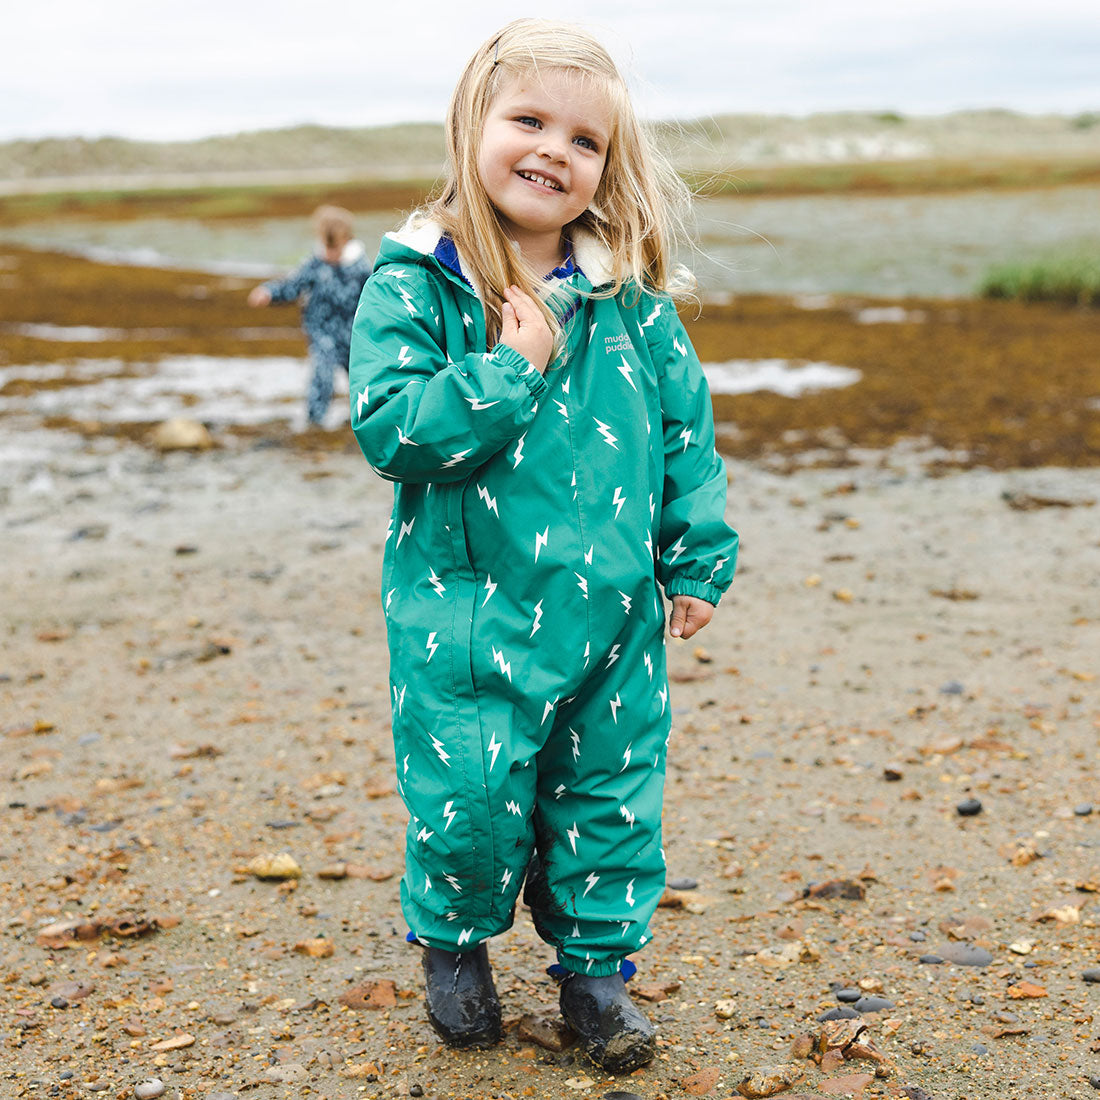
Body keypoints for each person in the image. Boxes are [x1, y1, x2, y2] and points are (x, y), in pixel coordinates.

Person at [348, 19, 738, 1075]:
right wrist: (509, 366)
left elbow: (680, 432)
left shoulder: (628, 297)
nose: (552, 150)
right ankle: (454, 945)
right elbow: (391, 429)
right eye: (527, 119)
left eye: (584, 140)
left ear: (607, 168)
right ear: (472, 121)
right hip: (469, 612)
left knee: (610, 793)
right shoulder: (416, 280)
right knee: (470, 794)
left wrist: (693, 554)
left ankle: (596, 980)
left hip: (611, 612)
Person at [248, 205, 371, 425]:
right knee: (322, 374)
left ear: (347, 240)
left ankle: (367, 418)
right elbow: (292, 285)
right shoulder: (314, 265)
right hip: (321, 331)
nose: (331, 253)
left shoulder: (360, 267)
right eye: (327, 246)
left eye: (336, 247)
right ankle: (316, 419)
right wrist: (269, 292)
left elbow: (373, 299)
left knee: (361, 378)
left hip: (353, 333)